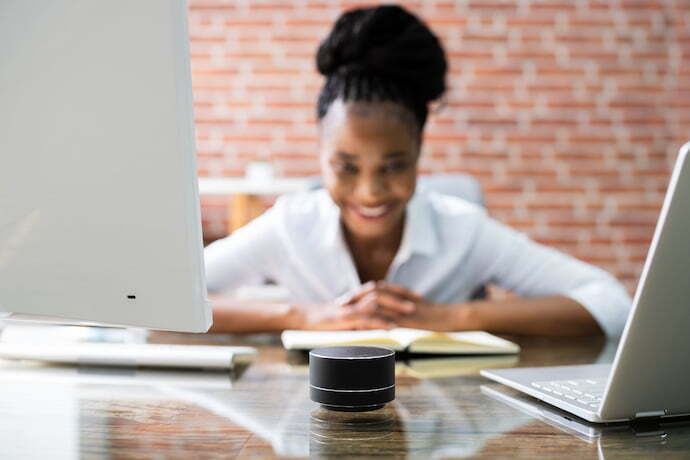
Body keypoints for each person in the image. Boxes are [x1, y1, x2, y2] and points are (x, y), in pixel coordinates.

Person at [204, 5, 631, 336]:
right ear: (320, 154)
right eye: (346, 167)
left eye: (393, 166)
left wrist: (455, 316)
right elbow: (154, 306)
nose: (370, 192)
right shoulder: (289, 227)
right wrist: (300, 315)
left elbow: (611, 304)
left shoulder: (463, 232)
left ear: (419, 152)